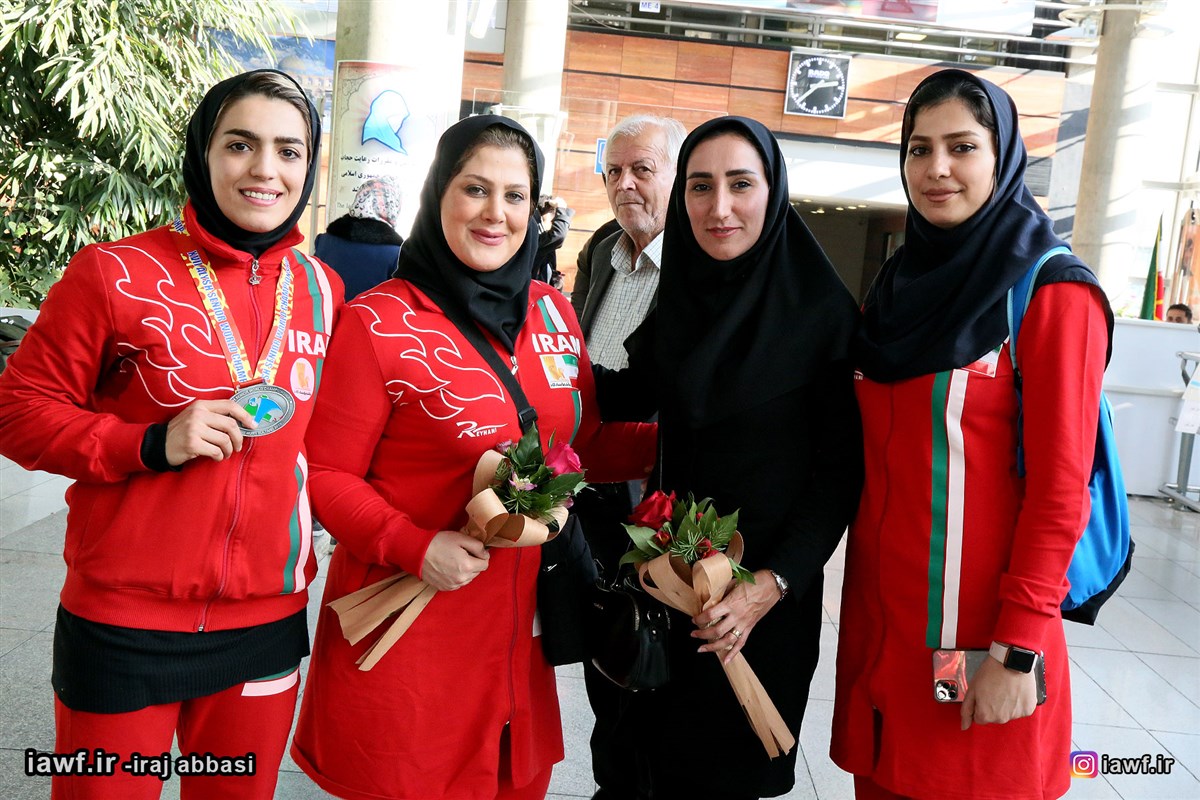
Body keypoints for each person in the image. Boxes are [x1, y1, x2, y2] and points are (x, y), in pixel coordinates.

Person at [288, 115, 656, 800]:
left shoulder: (553, 313)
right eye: (476, 189)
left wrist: (687, 443)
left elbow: (581, 449)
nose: (496, 213)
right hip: (412, 627)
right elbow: (326, 473)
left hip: (520, 638)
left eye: (516, 196)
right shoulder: (378, 322)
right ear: (439, 194)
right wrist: (413, 544)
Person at [0, 69, 342, 800]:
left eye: (289, 151)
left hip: (266, 621)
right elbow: (19, 412)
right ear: (202, 153)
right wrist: (149, 443)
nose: (265, 169)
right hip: (124, 623)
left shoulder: (322, 289)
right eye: (239, 145)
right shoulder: (114, 272)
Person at [831, 69, 1114, 800]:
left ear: (1003, 156)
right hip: (880, 640)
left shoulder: (1052, 293)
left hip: (979, 646)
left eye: (962, 147)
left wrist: (1018, 648)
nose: (937, 168)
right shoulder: (896, 287)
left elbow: (1061, 491)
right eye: (919, 148)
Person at [596, 116, 863, 799]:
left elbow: (838, 475)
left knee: (723, 776)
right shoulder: (682, 299)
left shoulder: (823, 316)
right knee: (641, 768)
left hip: (761, 609)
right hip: (667, 588)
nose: (719, 208)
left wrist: (770, 585)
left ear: (773, 191)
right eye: (700, 186)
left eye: (741, 184)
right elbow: (619, 395)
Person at [569, 113, 685, 799]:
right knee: (605, 656)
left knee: (654, 668)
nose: (625, 184)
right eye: (613, 171)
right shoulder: (601, 251)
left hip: (658, 496)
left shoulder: (700, 262)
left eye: (643, 169)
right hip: (589, 490)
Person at [314, 176, 405, 301]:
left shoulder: (324, 241)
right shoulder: (396, 255)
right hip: (367, 314)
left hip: (324, 313)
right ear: (393, 206)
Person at [533, 194, 575, 286]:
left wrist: (554, 279)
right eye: (554, 213)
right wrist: (561, 209)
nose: (555, 219)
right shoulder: (533, 239)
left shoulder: (547, 243)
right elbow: (559, 235)